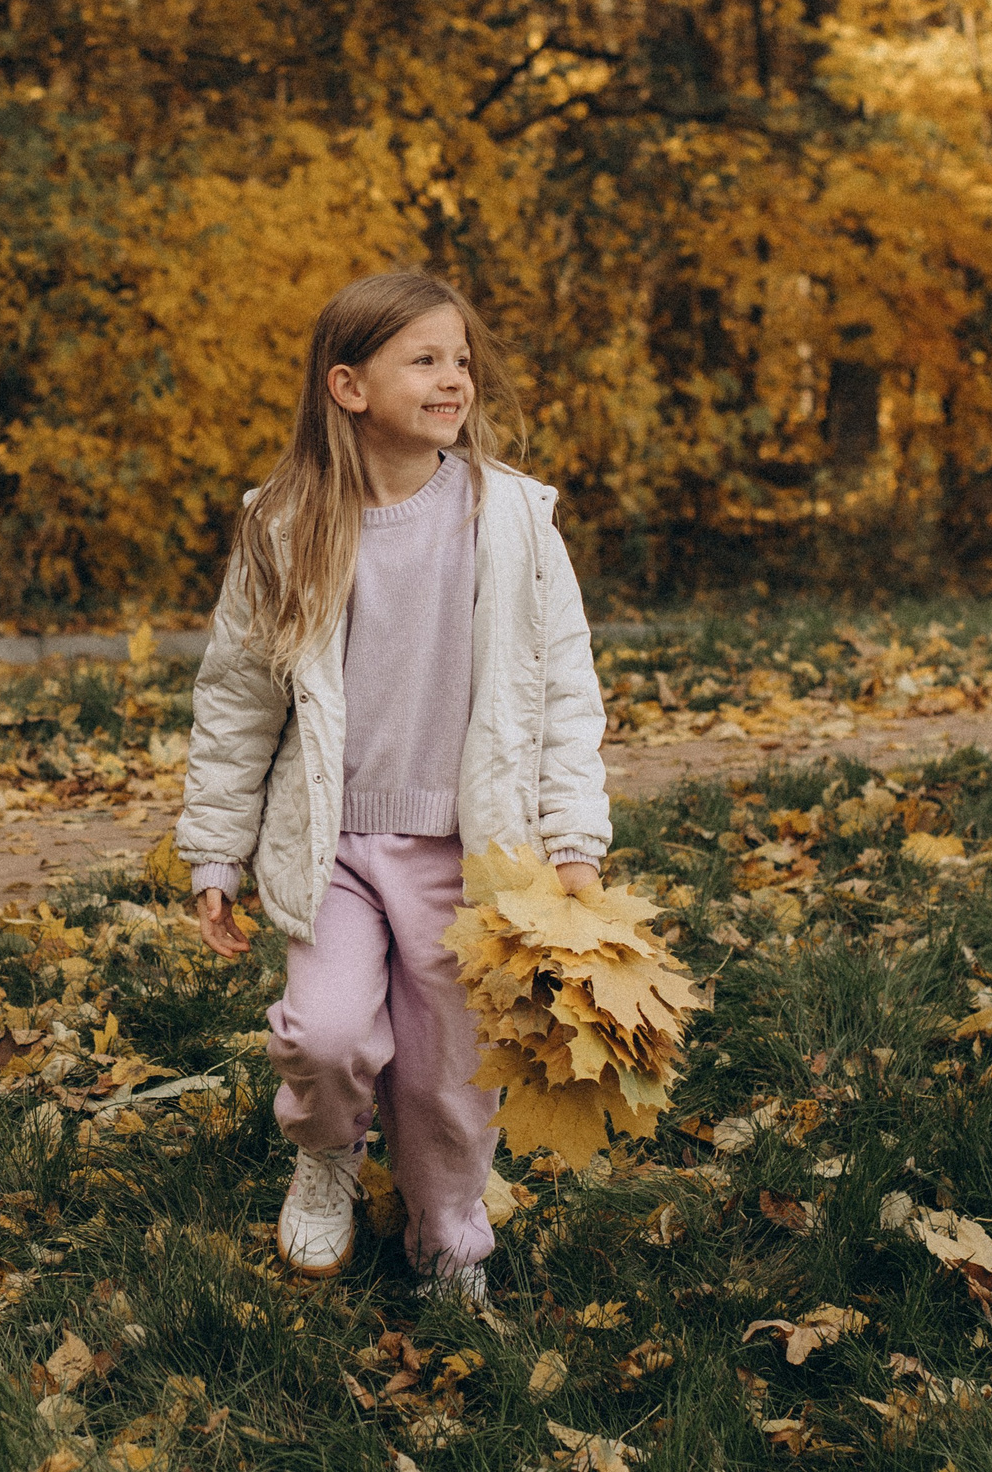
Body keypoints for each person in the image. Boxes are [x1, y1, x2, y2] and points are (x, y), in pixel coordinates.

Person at [174, 270, 610, 1304]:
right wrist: (214, 851)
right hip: (331, 849)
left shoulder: (510, 519)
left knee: (450, 1078)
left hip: (471, 854)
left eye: (459, 358)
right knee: (324, 1039)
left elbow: (562, 692)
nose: (453, 378)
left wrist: (573, 841)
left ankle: (447, 1236)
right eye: (424, 359)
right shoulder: (284, 526)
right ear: (349, 386)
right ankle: (326, 1156)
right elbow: (238, 702)